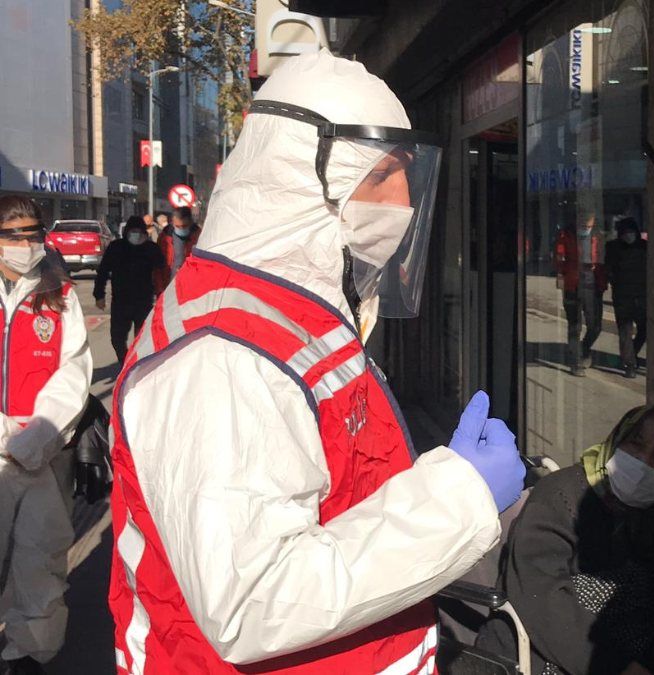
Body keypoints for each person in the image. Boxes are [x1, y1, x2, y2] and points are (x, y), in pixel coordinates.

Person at [107, 51, 525, 673]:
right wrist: (457, 499)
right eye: (387, 174)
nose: (405, 200)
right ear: (309, 174)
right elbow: (252, 601)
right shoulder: (222, 358)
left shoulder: (292, 312)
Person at [479, 404, 654, 675]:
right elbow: (541, 593)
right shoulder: (561, 496)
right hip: (546, 657)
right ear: (616, 442)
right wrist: (618, 667)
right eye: (636, 444)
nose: (644, 461)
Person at [0, 196, 92, 675]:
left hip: (42, 450)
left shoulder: (60, 296)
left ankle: (29, 653)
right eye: (13, 235)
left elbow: (73, 369)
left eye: (32, 233)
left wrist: (37, 435)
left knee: (40, 559)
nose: (25, 244)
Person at [94, 217, 165, 365]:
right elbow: (103, 271)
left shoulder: (151, 249)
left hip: (144, 302)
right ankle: (125, 362)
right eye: (133, 231)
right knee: (117, 339)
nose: (136, 234)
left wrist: (161, 294)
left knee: (142, 338)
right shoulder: (116, 247)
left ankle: (138, 364)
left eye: (139, 231)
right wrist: (99, 295)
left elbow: (162, 269)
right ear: (127, 232)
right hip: (120, 302)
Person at [555, 209, 606, 376]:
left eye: (588, 221)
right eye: (582, 221)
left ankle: (584, 348)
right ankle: (576, 362)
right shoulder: (566, 235)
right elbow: (559, 258)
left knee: (595, 326)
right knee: (574, 325)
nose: (585, 224)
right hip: (573, 284)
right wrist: (564, 273)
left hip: (593, 285)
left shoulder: (598, 236)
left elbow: (603, 259)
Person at [605, 217, 647, 378]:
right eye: (625, 232)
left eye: (631, 231)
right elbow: (608, 269)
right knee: (625, 331)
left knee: (645, 329)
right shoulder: (613, 247)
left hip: (641, 296)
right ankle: (629, 364)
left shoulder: (644, 246)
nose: (629, 235)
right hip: (623, 297)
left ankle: (632, 354)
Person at [152, 206, 199, 294]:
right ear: (172, 222)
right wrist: (160, 290)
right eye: (177, 226)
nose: (181, 229)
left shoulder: (199, 237)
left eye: (184, 226)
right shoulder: (164, 237)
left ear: (190, 222)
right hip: (168, 286)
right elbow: (158, 266)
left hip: (190, 288)